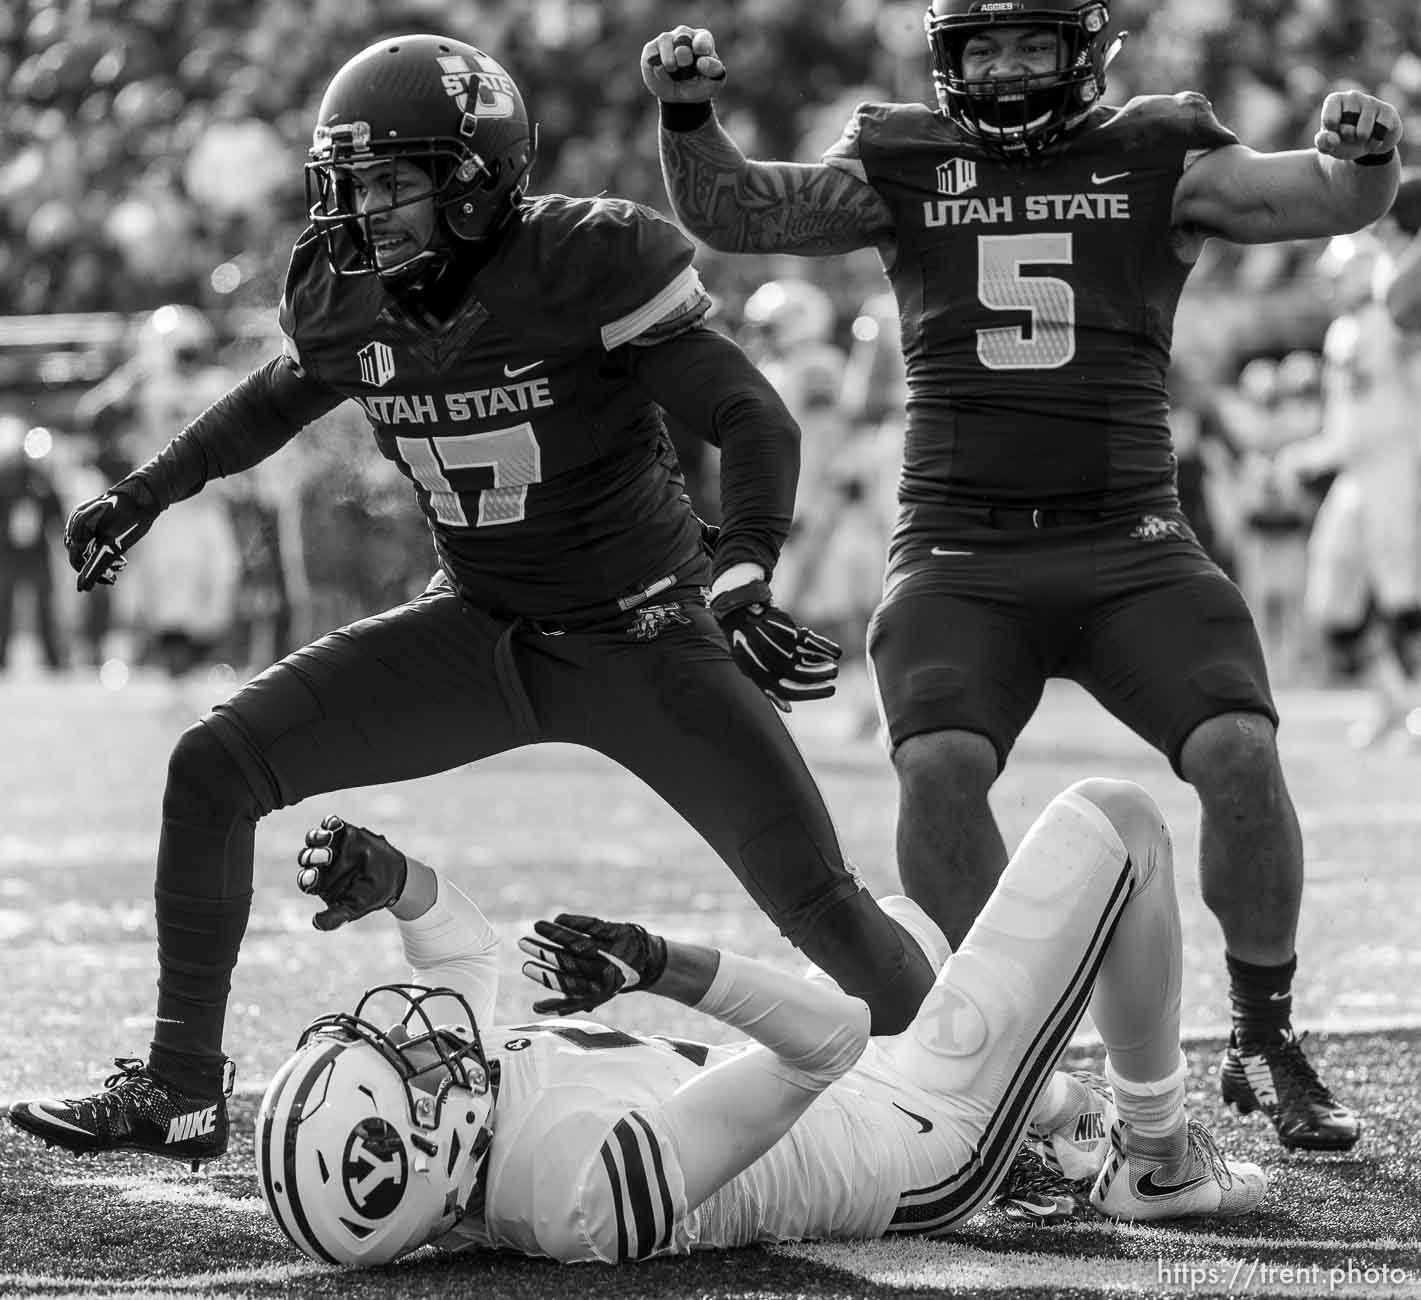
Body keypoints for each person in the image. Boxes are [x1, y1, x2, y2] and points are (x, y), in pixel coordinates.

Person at [5, 33, 937, 1171]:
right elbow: (281, 395)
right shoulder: (351, 295)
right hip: (481, 625)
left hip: (642, 634)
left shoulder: (581, 263)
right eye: (349, 183)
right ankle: (181, 1089)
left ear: (474, 175)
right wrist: (152, 487)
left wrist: (740, 572)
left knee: (822, 909)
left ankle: (969, 1088)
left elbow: (751, 419)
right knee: (214, 765)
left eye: (392, 181)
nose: (363, 210)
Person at [637, 4, 1407, 1152]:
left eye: (1030, 46)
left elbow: (1319, 199)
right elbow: (738, 208)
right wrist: (687, 113)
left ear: (1081, 54)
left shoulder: (1158, 148)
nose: (1004, 69)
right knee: (937, 769)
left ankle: (1260, 1030)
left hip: (1130, 539)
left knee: (1238, 750)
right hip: (959, 546)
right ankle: (1011, 1053)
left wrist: (1360, 153)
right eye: (982, 48)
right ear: (948, 62)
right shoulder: (901, 155)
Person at [235, 778, 1264, 1268]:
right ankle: (1156, 1162)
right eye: (405, 1071)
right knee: (1116, 821)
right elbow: (832, 1037)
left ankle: (1052, 1113)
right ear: (417, 1148)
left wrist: (398, 881)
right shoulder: (579, 1194)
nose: (418, 1041)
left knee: (896, 924)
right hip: (916, 1137)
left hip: (863, 1092)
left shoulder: (458, 1143)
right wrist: (660, 961)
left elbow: (458, 950)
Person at [1291, 175, 1421, 748]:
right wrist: (1310, 454)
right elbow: (1345, 428)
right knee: (1330, 599)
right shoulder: (1343, 332)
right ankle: (1393, 700)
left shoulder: (1396, 323)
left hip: (1395, 462)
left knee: (1402, 592)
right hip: (1355, 473)